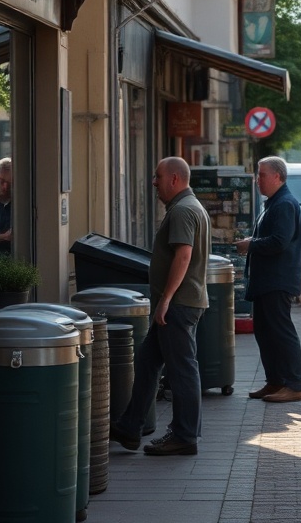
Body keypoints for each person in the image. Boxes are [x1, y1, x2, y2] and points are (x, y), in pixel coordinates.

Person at [110, 157, 210, 456]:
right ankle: (131, 427)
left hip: (177, 305)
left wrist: (165, 299)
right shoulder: (189, 206)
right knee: (148, 362)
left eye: (158, 177)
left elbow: (183, 255)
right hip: (176, 304)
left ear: (174, 179)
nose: (154, 182)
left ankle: (185, 435)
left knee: (182, 370)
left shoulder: (182, 210)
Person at [239, 157, 301, 403]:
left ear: (277, 176)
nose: (258, 180)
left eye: (262, 175)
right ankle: (276, 381)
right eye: (258, 175)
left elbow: (279, 241)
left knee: (281, 332)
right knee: (265, 332)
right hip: (266, 280)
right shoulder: (274, 202)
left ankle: (293, 385)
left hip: (278, 280)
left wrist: (250, 244)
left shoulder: (285, 204)